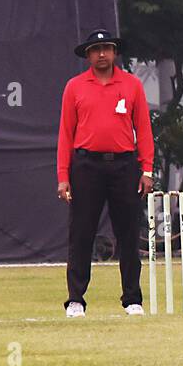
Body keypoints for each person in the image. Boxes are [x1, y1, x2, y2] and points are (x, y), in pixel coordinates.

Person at [57, 29, 155, 317]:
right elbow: (65, 133)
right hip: (86, 166)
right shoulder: (75, 86)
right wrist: (63, 175)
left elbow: (144, 129)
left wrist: (146, 168)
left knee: (127, 233)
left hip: (124, 166)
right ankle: (76, 299)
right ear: (88, 54)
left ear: (115, 52)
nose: (102, 54)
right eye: (96, 49)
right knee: (81, 233)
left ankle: (132, 299)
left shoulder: (132, 84)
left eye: (107, 48)